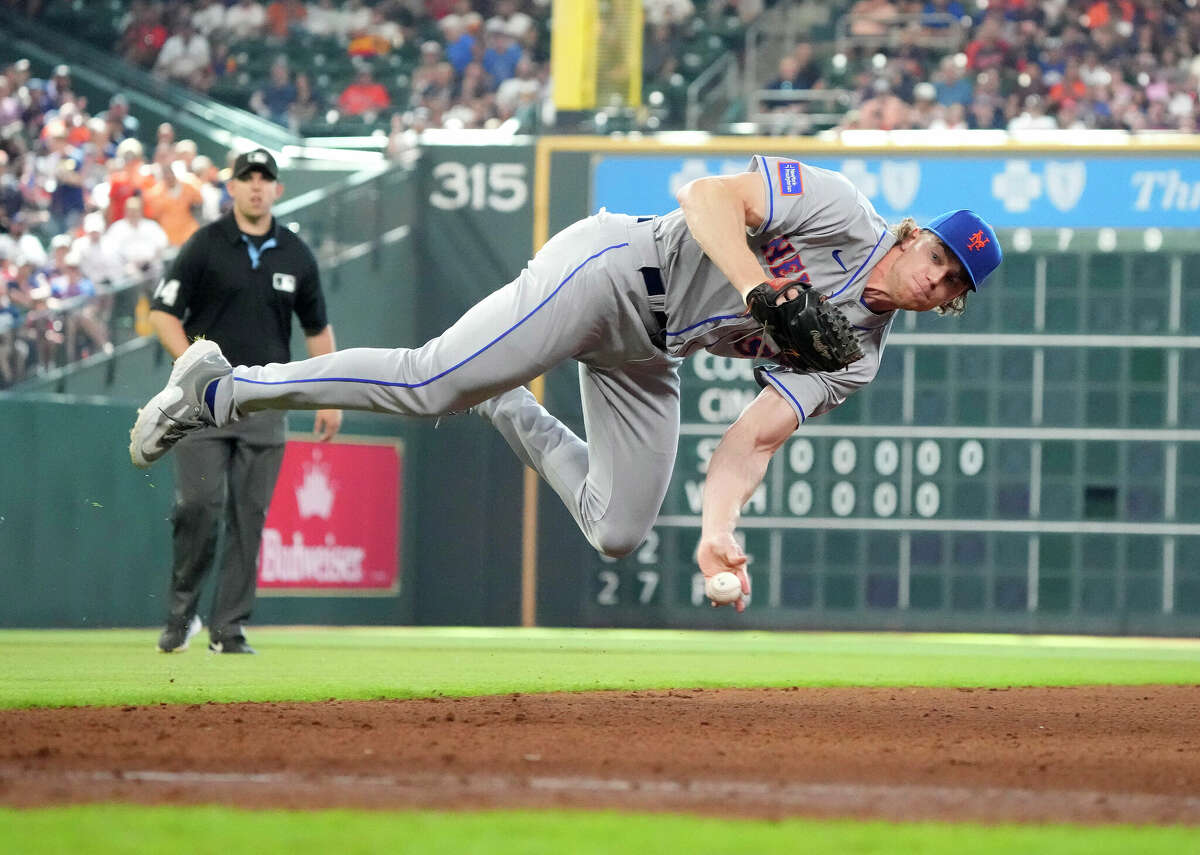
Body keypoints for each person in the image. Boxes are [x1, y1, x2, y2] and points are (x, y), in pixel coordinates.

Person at [130, 158, 1000, 615]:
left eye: (958, 285)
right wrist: (759, 288)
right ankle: (222, 387)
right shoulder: (843, 210)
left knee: (621, 529)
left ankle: (506, 395)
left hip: (650, 352)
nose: (941, 283)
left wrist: (717, 530)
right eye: (942, 259)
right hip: (615, 269)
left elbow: (752, 439)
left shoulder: (859, 351)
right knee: (430, 382)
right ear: (917, 234)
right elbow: (705, 197)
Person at [139, 148, 341, 654]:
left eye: (264, 178)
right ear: (230, 187)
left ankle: (228, 627)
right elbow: (163, 314)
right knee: (200, 507)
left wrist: (329, 397)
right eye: (246, 178)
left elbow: (317, 328)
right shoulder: (204, 245)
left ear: (278, 189)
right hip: (204, 405)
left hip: (266, 402)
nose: (256, 186)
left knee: (250, 517)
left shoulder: (296, 253)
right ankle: (181, 616)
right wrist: (192, 367)